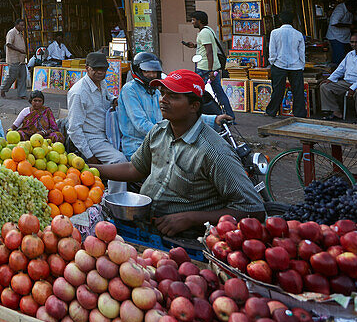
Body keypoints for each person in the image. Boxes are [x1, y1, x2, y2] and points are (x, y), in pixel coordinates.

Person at [91, 69, 265, 237]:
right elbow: (135, 169)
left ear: (194, 106)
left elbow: (253, 209)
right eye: (162, 93)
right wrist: (90, 169)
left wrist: (191, 219)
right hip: (146, 225)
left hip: (186, 238)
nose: (163, 100)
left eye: (173, 96)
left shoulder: (214, 152)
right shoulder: (158, 132)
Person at [117, 51, 229, 160]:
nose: (152, 75)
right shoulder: (130, 90)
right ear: (138, 71)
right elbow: (141, 124)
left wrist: (214, 119)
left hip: (160, 142)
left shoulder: (155, 91)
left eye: (154, 71)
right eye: (147, 71)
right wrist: (169, 135)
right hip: (138, 146)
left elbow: (179, 113)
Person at [67, 51, 124, 164]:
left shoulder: (102, 83)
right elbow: (74, 129)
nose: (100, 72)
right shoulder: (78, 93)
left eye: (103, 69)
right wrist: (90, 156)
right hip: (93, 137)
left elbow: (108, 97)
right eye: (96, 69)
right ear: (87, 68)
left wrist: (115, 100)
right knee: (119, 161)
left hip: (109, 132)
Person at [182, 11, 235, 118]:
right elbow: (206, 47)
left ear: (199, 21)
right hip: (212, 67)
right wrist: (195, 46)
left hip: (205, 67)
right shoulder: (208, 30)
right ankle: (230, 116)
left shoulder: (204, 33)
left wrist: (210, 70)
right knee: (219, 92)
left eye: (193, 20)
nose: (192, 22)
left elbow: (209, 51)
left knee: (196, 91)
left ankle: (196, 115)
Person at [320, 32, 357, 124]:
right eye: (352, 42)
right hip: (349, 82)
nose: (354, 44)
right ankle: (335, 111)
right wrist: (330, 79)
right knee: (325, 86)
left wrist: (353, 88)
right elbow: (340, 69)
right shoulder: (350, 55)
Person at [266, 11, 307, 118]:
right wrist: (302, 65)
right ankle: (299, 113)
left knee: (278, 90)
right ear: (292, 21)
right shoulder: (298, 34)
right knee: (298, 91)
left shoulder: (275, 33)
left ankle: (272, 111)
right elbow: (301, 52)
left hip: (279, 64)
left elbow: (272, 50)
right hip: (296, 65)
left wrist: (273, 62)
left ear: (280, 20)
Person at [327, 0, 357, 66]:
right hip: (336, 37)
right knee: (339, 57)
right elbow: (334, 23)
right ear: (350, 6)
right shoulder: (340, 10)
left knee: (345, 56)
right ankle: (337, 74)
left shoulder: (349, 11)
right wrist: (349, 26)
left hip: (344, 37)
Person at [2, 18, 29, 98]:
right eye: (21, 25)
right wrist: (19, 50)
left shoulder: (20, 33)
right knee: (12, 77)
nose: (23, 27)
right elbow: (8, 44)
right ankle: (3, 89)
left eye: (23, 25)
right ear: (16, 25)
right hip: (13, 59)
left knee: (22, 77)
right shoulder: (11, 33)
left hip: (21, 60)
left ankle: (22, 94)